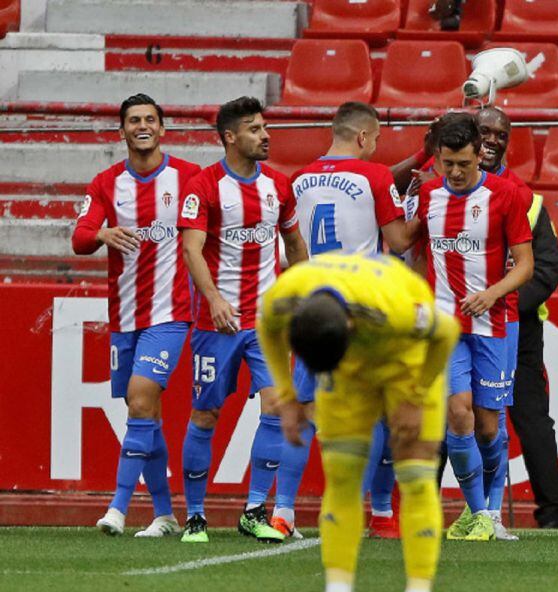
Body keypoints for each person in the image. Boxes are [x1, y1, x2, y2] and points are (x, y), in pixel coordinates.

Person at [257, 252, 460, 592]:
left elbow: (447, 332)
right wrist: (286, 394)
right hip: (347, 373)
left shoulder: (395, 307)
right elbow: (266, 327)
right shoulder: (284, 296)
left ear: (350, 326)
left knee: (415, 475)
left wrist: (416, 395)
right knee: (342, 473)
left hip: (408, 360)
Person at [389, 113, 534, 542]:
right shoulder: (429, 193)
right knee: (457, 414)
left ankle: (491, 511)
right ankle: (478, 515)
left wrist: (493, 293)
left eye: (462, 164)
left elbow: (525, 266)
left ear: (479, 155)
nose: (453, 173)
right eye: (446, 163)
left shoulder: (506, 196)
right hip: (445, 325)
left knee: (489, 424)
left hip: (492, 322)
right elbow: (403, 243)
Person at [272, 101, 408, 540]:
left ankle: (283, 511)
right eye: (377, 141)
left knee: (306, 412)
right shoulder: (376, 177)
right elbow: (399, 240)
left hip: (313, 310)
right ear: (365, 137)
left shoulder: (299, 179)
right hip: (362, 312)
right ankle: (380, 513)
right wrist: (425, 214)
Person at [177, 96, 308, 543]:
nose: (266, 135)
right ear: (230, 137)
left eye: (265, 127)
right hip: (218, 324)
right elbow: (192, 248)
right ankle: (194, 514)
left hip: (266, 322)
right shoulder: (204, 186)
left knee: (275, 406)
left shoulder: (278, 185)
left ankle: (254, 509)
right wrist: (213, 298)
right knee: (207, 412)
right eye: (254, 129)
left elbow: (294, 243)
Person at [72, 93, 201, 537]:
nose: (142, 125)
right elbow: (80, 239)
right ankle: (164, 515)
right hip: (125, 315)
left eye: (149, 119)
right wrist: (103, 231)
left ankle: (118, 509)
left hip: (171, 312)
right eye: (133, 120)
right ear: (122, 130)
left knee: (142, 399)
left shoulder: (188, 177)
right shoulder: (107, 183)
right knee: (145, 413)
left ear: (162, 129)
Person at [475, 106, 558, 530]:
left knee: (532, 418)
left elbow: (549, 269)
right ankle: (431, 507)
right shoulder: (446, 189)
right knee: (458, 414)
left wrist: (507, 305)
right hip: (463, 319)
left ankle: (554, 513)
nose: (492, 139)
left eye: (501, 133)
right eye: (484, 131)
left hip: (519, 326)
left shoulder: (527, 199)